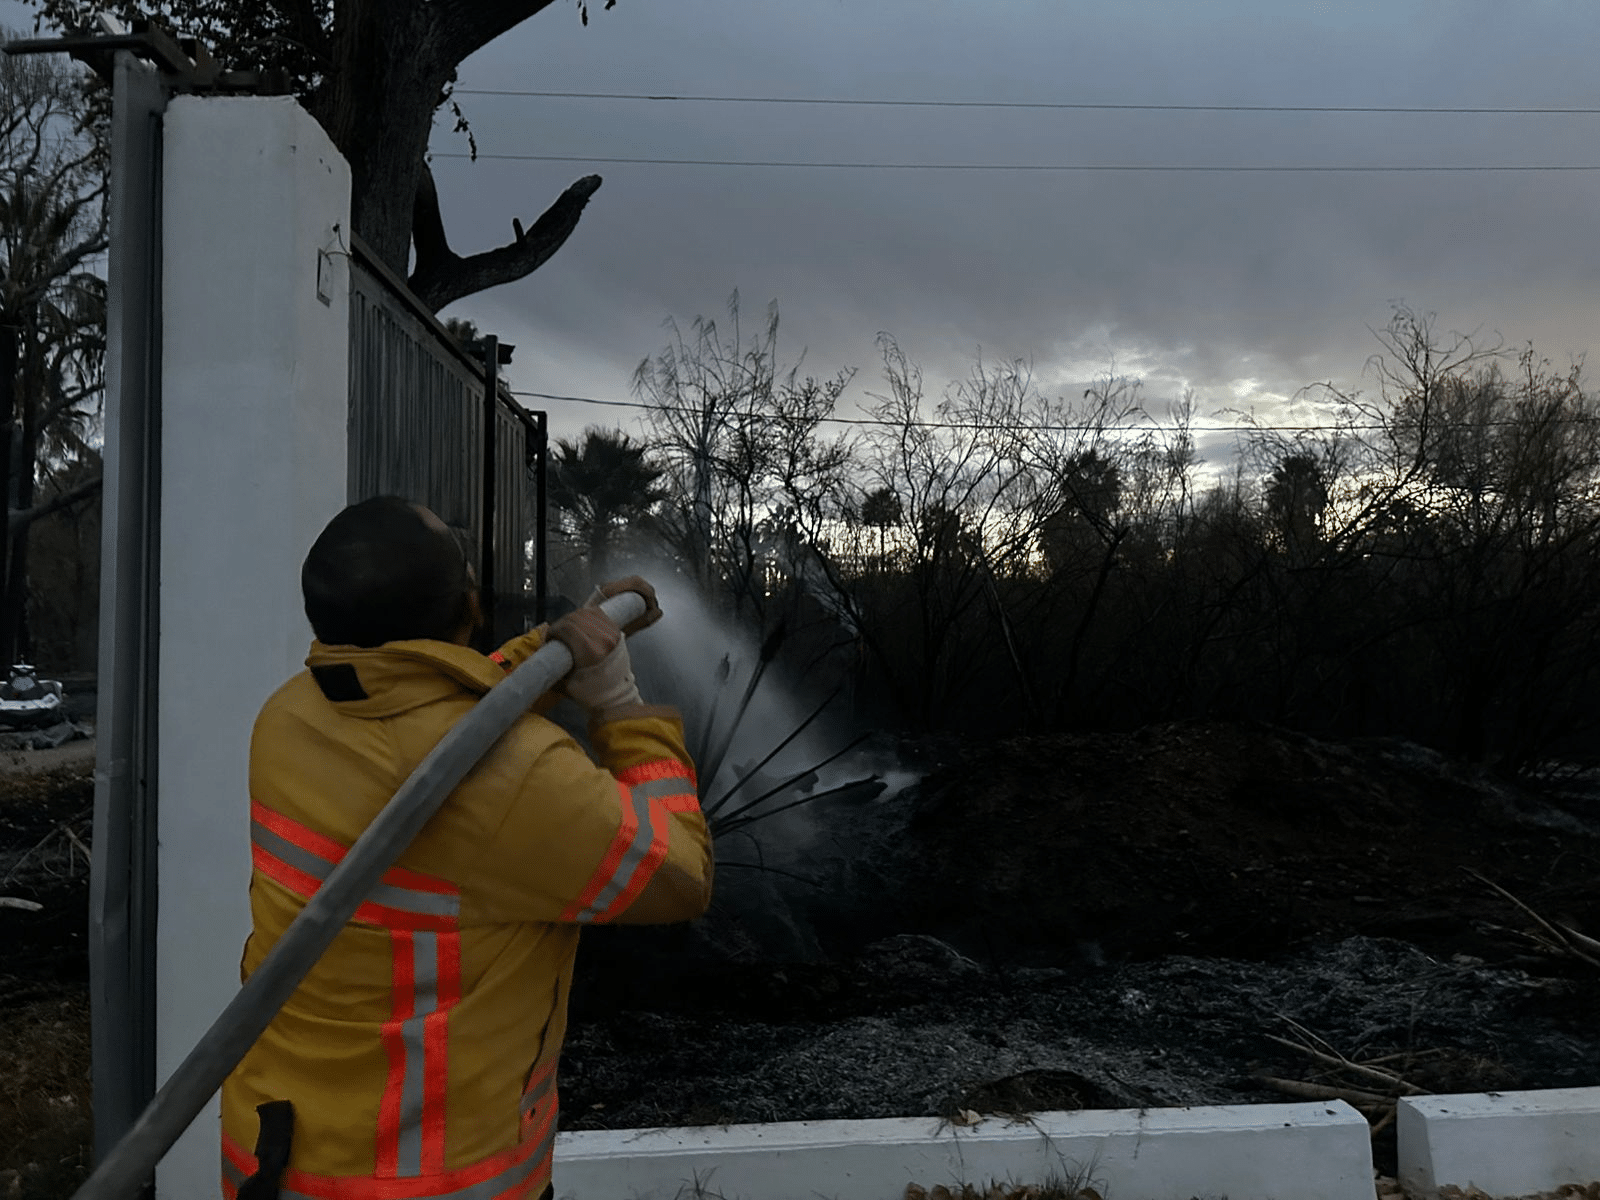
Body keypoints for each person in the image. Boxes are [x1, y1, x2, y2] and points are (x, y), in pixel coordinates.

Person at [220, 496, 712, 1200]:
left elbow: (429, 704)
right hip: (425, 1179)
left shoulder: (290, 718)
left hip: (273, 1154)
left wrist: (555, 647)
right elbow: (682, 876)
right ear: (470, 606)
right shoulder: (515, 779)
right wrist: (618, 703)